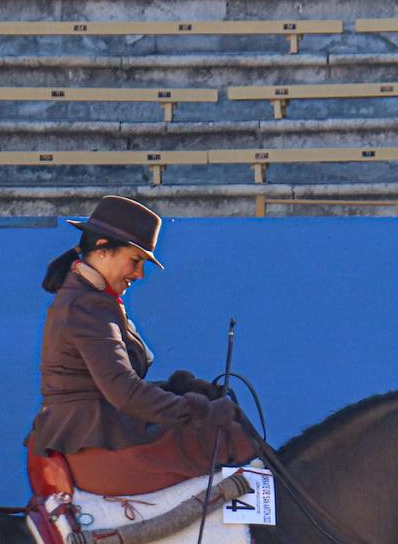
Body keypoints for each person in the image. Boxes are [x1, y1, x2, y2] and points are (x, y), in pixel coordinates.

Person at [25, 195, 240, 498]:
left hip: (100, 429)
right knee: (228, 443)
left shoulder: (95, 299)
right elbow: (124, 392)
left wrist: (179, 390)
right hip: (89, 439)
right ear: (102, 249)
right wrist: (197, 410)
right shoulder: (86, 306)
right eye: (135, 260)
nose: (140, 274)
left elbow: (116, 383)